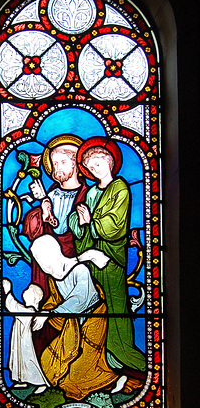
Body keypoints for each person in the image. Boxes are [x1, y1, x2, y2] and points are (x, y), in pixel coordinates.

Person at [67, 137, 147, 381]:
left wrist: (91, 222)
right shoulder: (90, 192)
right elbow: (77, 224)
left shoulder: (120, 188)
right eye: (90, 168)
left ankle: (124, 359)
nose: (94, 169)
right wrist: (79, 221)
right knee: (94, 309)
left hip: (111, 260)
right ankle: (98, 364)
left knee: (115, 308)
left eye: (98, 164)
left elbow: (115, 226)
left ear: (110, 162)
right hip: (91, 260)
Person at [29, 234, 122, 401]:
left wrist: (50, 314)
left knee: (78, 374)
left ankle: (117, 379)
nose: (43, 266)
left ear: (53, 254)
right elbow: (55, 301)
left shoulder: (80, 270)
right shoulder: (54, 279)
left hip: (93, 319)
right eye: (39, 261)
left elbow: (79, 300)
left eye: (42, 260)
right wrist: (40, 312)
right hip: (73, 324)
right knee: (48, 361)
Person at [22, 135, 88, 296]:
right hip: (47, 263)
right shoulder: (51, 192)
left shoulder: (87, 194)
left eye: (63, 162)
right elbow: (46, 227)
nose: (57, 167)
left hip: (75, 260)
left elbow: (71, 230)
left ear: (76, 165)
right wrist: (43, 209)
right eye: (55, 163)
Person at [3, 278, 48, 392]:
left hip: (25, 344)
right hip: (19, 341)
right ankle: (20, 380)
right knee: (18, 358)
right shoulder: (27, 310)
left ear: (36, 298)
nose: (25, 291)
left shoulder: (30, 312)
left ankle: (41, 383)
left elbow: (12, 307)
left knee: (28, 360)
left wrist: (7, 291)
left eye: (29, 290)